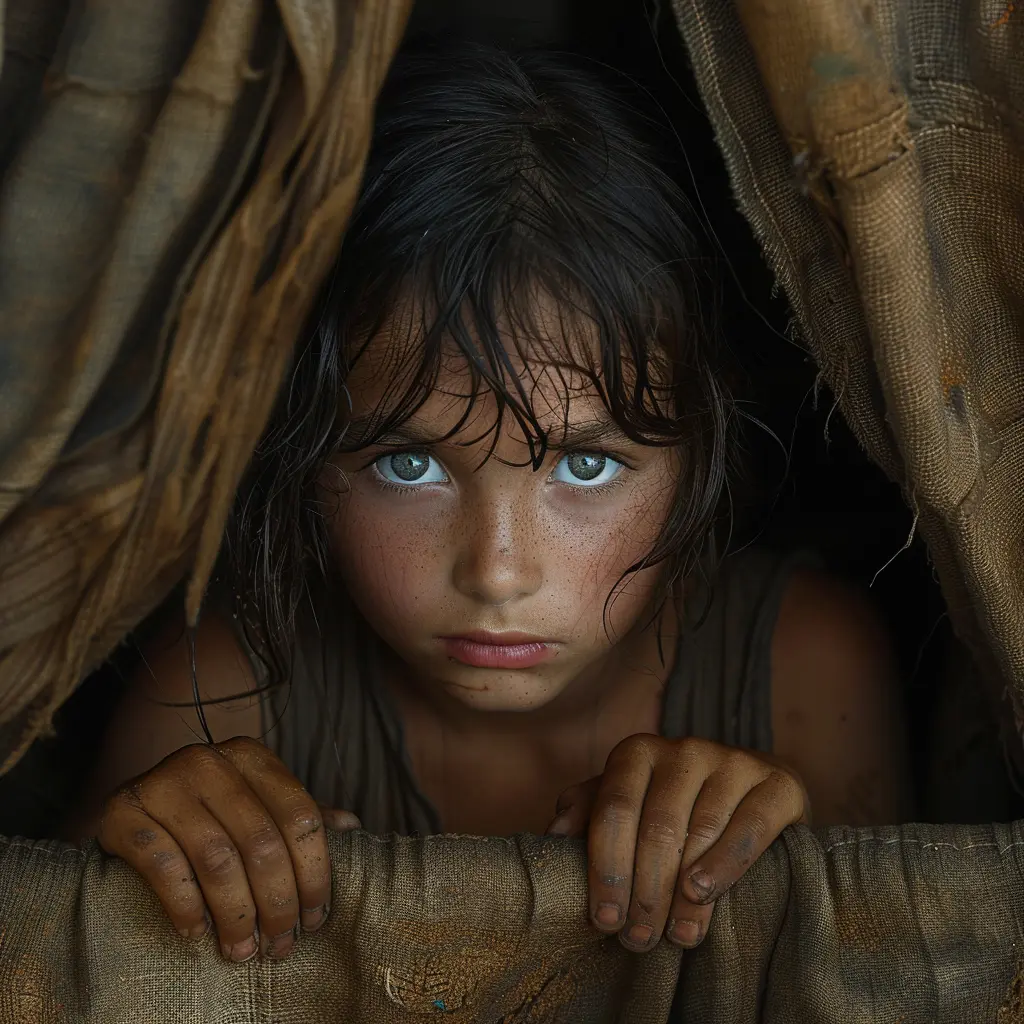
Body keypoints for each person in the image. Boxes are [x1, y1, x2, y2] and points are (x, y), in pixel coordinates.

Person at [61, 42, 912, 967]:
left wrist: (767, 842)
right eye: (408, 466)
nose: (497, 571)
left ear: (701, 449)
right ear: (303, 457)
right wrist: (144, 845)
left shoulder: (801, 668)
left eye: (586, 465)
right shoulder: (223, 683)